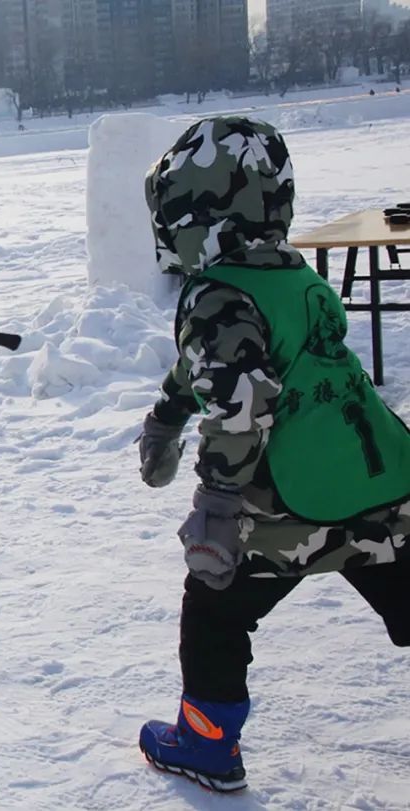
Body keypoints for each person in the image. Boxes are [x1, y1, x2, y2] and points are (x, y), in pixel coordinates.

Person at [135, 116, 410, 793]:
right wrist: (165, 418)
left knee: (215, 605)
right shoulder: (289, 274)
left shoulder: (217, 293)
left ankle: (207, 742)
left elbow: (237, 403)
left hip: (290, 503)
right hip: (382, 479)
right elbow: (210, 369)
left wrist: (218, 509)